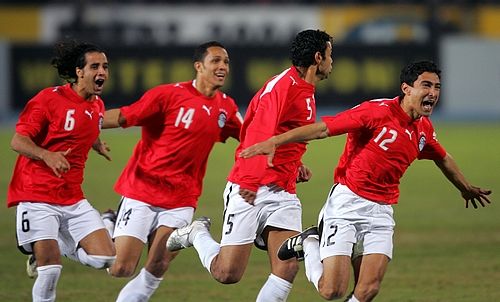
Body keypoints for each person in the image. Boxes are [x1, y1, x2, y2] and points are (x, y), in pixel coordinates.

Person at [239, 60, 492, 301]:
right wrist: (276, 140)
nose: (433, 93)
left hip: (381, 212)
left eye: (437, 87)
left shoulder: (423, 129)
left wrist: (465, 188)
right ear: (406, 88)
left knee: (368, 289)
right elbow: (323, 129)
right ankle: (310, 242)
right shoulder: (376, 111)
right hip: (346, 204)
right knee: (332, 290)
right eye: (426, 85)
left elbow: (443, 157)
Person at [167, 29, 334, 301]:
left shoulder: (304, 88)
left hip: (283, 190)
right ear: (318, 57)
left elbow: (283, 134)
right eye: (329, 55)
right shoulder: (283, 88)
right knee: (227, 273)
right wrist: (250, 181)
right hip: (251, 187)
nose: (331, 61)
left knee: (287, 267)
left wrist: (295, 161)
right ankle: (197, 233)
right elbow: (257, 133)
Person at [102, 41, 242, 302]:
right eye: (216, 61)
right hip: (141, 190)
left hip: (181, 198)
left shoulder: (226, 107)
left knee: (157, 266)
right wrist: (86, 123)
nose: (222, 67)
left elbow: (251, 140)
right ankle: (108, 223)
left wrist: (285, 159)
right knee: (120, 268)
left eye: (226, 62)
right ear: (199, 66)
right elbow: (124, 116)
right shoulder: (168, 95)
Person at [6, 40, 116, 302]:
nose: (102, 72)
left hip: (72, 198)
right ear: (79, 71)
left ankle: (53, 241)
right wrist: (47, 155)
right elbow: (17, 141)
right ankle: (45, 248)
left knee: (105, 259)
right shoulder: (48, 99)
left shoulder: (96, 105)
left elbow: (81, 126)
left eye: (105, 66)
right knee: (50, 268)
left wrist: (95, 142)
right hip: (36, 195)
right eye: (95, 66)